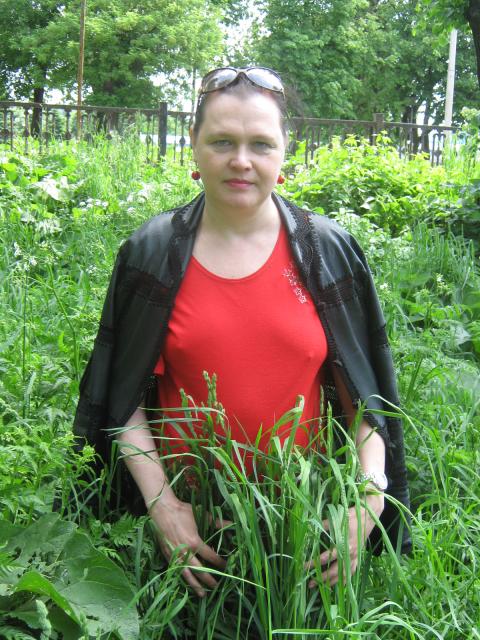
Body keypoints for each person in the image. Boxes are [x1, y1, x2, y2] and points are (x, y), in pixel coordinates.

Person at [73, 66, 410, 598]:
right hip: (188, 536)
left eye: (261, 144)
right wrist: (163, 507)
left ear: (285, 151)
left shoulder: (328, 252)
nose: (241, 161)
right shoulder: (151, 252)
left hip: (306, 531)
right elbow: (123, 396)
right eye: (223, 141)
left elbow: (365, 397)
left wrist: (367, 501)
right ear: (193, 144)